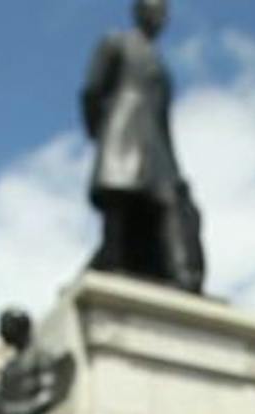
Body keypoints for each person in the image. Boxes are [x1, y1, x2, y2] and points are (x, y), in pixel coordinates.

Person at [81, 0, 204, 291]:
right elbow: (91, 91)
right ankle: (112, 262)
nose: (160, 18)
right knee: (119, 198)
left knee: (166, 203)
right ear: (140, 12)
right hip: (121, 129)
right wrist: (100, 130)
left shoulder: (162, 66)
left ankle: (181, 276)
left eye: (163, 13)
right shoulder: (116, 43)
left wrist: (174, 166)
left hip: (155, 144)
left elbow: (163, 119)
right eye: (155, 11)